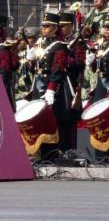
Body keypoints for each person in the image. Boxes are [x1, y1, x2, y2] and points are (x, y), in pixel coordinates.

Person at [28, 13, 75, 156]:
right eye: (43, 26)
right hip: (39, 84)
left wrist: (51, 89)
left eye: (47, 26)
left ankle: (53, 153)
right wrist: (31, 62)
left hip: (52, 86)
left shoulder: (60, 46)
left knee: (52, 119)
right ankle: (40, 153)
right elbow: (35, 69)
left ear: (55, 28)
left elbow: (58, 68)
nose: (43, 29)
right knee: (38, 118)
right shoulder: (40, 44)